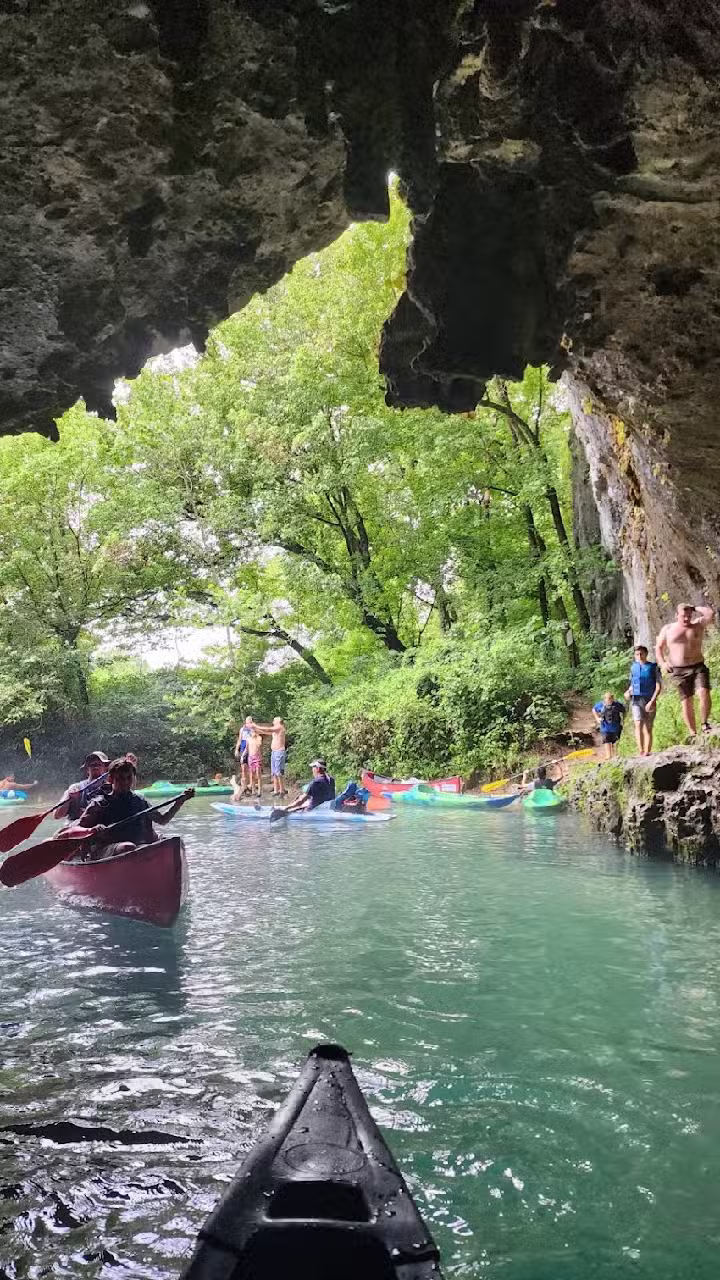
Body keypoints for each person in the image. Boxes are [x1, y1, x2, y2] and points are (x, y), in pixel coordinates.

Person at [75, 757, 193, 858]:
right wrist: (93, 829)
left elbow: (163, 820)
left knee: (173, 842)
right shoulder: (99, 804)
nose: (125, 782)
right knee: (127, 847)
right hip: (106, 850)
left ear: (134, 778)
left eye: (129, 778)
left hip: (138, 847)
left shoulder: (140, 802)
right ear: (110, 779)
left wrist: (180, 802)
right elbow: (78, 831)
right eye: (120, 778)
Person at [656, 602, 715, 736]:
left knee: (704, 692)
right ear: (676, 615)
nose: (687, 619)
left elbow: (710, 614)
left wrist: (694, 608)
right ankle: (693, 732)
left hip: (698, 665)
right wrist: (663, 663)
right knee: (686, 700)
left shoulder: (698, 625)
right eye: (684, 616)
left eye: (689, 616)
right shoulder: (668, 629)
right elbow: (659, 647)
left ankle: (704, 723)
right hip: (678, 670)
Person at [624, 644, 661, 755]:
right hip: (636, 699)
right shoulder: (633, 667)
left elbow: (658, 686)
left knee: (648, 727)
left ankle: (647, 751)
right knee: (638, 723)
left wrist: (652, 701)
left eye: (641, 654)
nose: (639, 656)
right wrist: (628, 691)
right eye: (637, 654)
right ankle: (640, 750)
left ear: (646, 654)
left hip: (649, 699)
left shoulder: (654, 667)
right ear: (634, 656)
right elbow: (633, 683)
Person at [54, 751, 110, 821]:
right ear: (87, 770)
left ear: (105, 769)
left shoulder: (111, 790)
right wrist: (68, 800)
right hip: (75, 828)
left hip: (99, 829)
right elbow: (57, 815)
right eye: (92, 765)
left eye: (99, 764)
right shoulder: (75, 788)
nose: (96, 767)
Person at [255, 717, 287, 797]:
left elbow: (269, 729)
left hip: (279, 752)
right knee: (274, 773)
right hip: (274, 752)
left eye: (274, 720)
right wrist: (259, 731)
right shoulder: (275, 730)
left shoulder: (279, 727)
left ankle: (282, 790)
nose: (273, 721)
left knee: (278, 772)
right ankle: (276, 790)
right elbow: (268, 732)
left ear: (278, 721)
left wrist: (256, 726)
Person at [592, 691, 625, 760]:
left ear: (613, 698)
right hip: (605, 727)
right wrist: (597, 718)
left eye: (610, 698)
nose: (609, 700)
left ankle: (615, 755)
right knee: (606, 741)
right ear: (604, 699)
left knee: (615, 742)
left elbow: (624, 710)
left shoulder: (617, 705)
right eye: (607, 698)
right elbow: (594, 709)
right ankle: (608, 756)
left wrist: (623, 721)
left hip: (616, 727)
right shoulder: (600, 705)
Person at [234, 716, 255, 794]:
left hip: (251, 748)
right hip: (243, 748)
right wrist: (237, 749)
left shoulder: (253, 729)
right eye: (247, 722)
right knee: (243, 768)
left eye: (250, 722)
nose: (248, 723)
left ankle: (251, 786)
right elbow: (239, 740)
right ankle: (244, 786)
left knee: (251, 769)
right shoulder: (242, 729)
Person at [246, 726, 264, 797]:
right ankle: (253, 790)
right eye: (252, 731)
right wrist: (243, 756)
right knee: (251, 774)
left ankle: (259, 790)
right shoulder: (248, 739)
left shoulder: (259, 738)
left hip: (257, 757)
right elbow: (247, 749)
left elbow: (259, 746)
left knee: (258, 774)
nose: (253, 732)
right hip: (250, 757)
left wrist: (256, 736)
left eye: (254, 731)